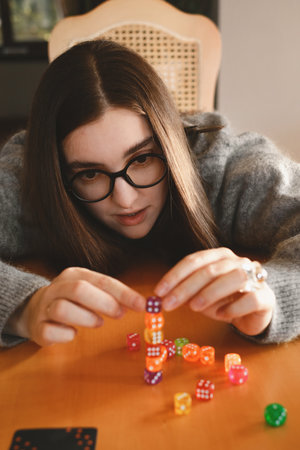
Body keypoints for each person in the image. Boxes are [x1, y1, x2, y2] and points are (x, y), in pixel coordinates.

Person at [0, 39, 299, 348]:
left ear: (170, 143)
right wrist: (23, 308)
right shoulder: (28, 177)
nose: (125, 199)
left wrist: (275, 294)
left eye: (142, 159)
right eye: (90, 174)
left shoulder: (227, 166)